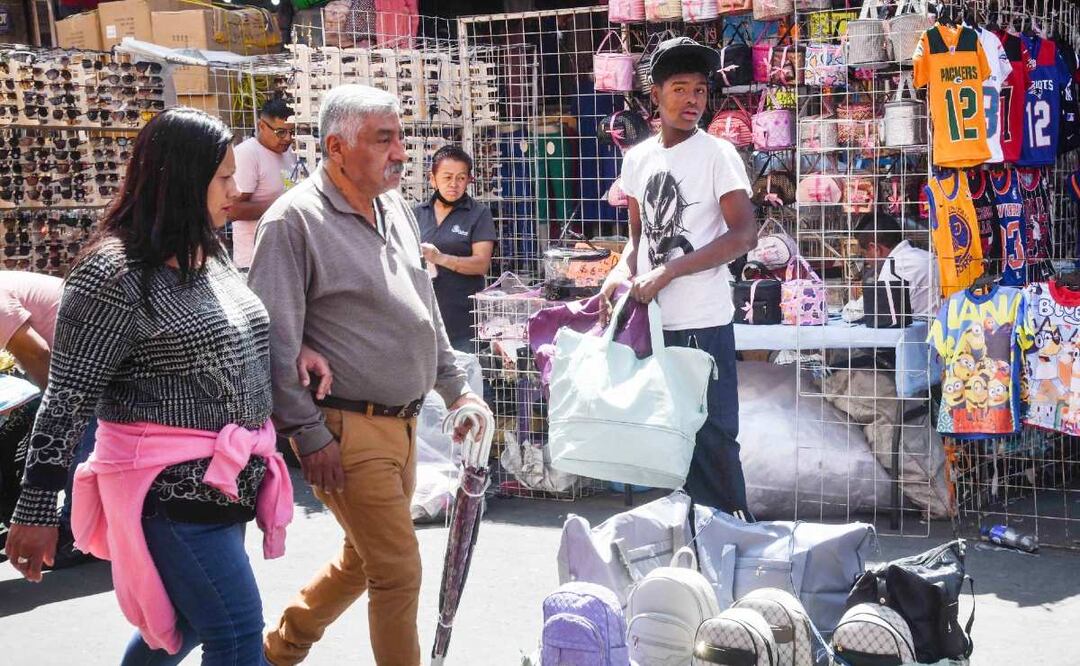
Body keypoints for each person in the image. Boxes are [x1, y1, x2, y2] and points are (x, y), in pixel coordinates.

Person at [4, 108, 297, 665]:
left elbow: (243, 336)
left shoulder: (207, 253)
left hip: (225, 482)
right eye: (222, 178)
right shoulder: (112, 273)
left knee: (182, 624)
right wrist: (37, 509)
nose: (235, 191)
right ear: (182, 181)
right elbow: (66, 399)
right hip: (169, 493)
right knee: (236, 632)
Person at [248, 84, 490, 666]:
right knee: (397, 570)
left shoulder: (395, 207)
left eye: (399, 137)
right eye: (384, 140)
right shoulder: (293, 222)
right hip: (347, 429)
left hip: (403, 426)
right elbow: (274, 342)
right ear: (336, 147)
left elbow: (424, 310)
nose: (401, 152)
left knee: (364, 559)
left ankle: (278, 650)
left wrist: (456, 390)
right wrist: (308, 434)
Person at [598, 37, 758, 519]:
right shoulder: (637, 159)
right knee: (670, 438)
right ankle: (685, 537)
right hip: (653, 325)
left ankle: (730, 534)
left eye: (701, 91)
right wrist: (618, 273)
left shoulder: (718, 154)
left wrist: (669, 271)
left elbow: (744, 235)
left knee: (714, 437)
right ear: (656, 95)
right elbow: (637, 240)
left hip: (703, 322)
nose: (692, 100)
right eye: (680, 89)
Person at [0, 272, 97, 568]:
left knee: (77, 444)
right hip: (78, 356)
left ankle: (78, 535)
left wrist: (57, 412)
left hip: (90, 359)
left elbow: (39, 353)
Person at [414, 145, 497, 353]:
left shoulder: (478, 214)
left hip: (462, 321)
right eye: (447, 177)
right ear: (432, 179)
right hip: (422, 317)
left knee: (464, 370)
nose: (454, 184)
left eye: (461, 178)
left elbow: (481, 264)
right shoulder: (416, 214)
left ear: (469, 180)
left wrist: (440, 258)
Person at [230, 97, 299, 269]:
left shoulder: (288, 152)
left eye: (292, 132)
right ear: (262, 126)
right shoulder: (247, 154)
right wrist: (285, 207)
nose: (287, 138)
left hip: (284, 258)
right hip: (255, 262)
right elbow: (232, 210)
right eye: (281, 132)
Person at [855, 212, 938, 317]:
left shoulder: (893, 269)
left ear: (875, 248)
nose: (866, 261)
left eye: (864, 254)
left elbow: (860, 312)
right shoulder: (928, 256)